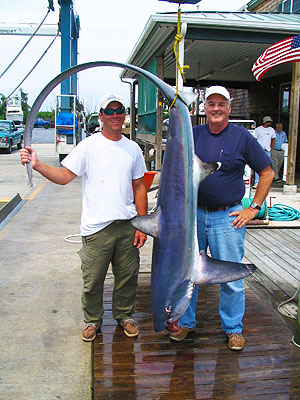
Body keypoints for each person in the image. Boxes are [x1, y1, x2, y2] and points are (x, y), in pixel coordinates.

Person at [20, 93, 148, 342]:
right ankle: (92, 320)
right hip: (97, 228)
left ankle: (125, 315)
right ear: (100, 116)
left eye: (119, 110)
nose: (114, 115)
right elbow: (65, 176)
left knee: (128, 276)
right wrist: (37, 165)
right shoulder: (88, 145)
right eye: (108, 111)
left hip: (127, 225)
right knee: (93, 280)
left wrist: (142, 224)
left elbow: (140, 187)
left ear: (124, 114)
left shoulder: (133, 149)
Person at [169, 86, 274, 351]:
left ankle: (233, 328)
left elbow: (267, 172)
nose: (216, 108)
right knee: (186, 273)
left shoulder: (242, 137)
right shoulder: (193, 135)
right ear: (204, 108)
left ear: (229, 108)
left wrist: (255, 207)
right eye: (211, 104)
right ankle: (184, 321)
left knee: (230, 276)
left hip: (227, 217)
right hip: (192, 216)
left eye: (221, 104)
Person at [253, 116, 276, 189]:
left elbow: (273, 139)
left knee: (267, 168)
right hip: (259, 151)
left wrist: (271, 148)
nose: (270, 123)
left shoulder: (272, 130)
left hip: (267, 151)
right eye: (268, 122)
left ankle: (265, 183)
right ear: (265, 122)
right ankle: (257, 182)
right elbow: (254, 140)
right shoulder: (258, 130)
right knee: (258, 166)